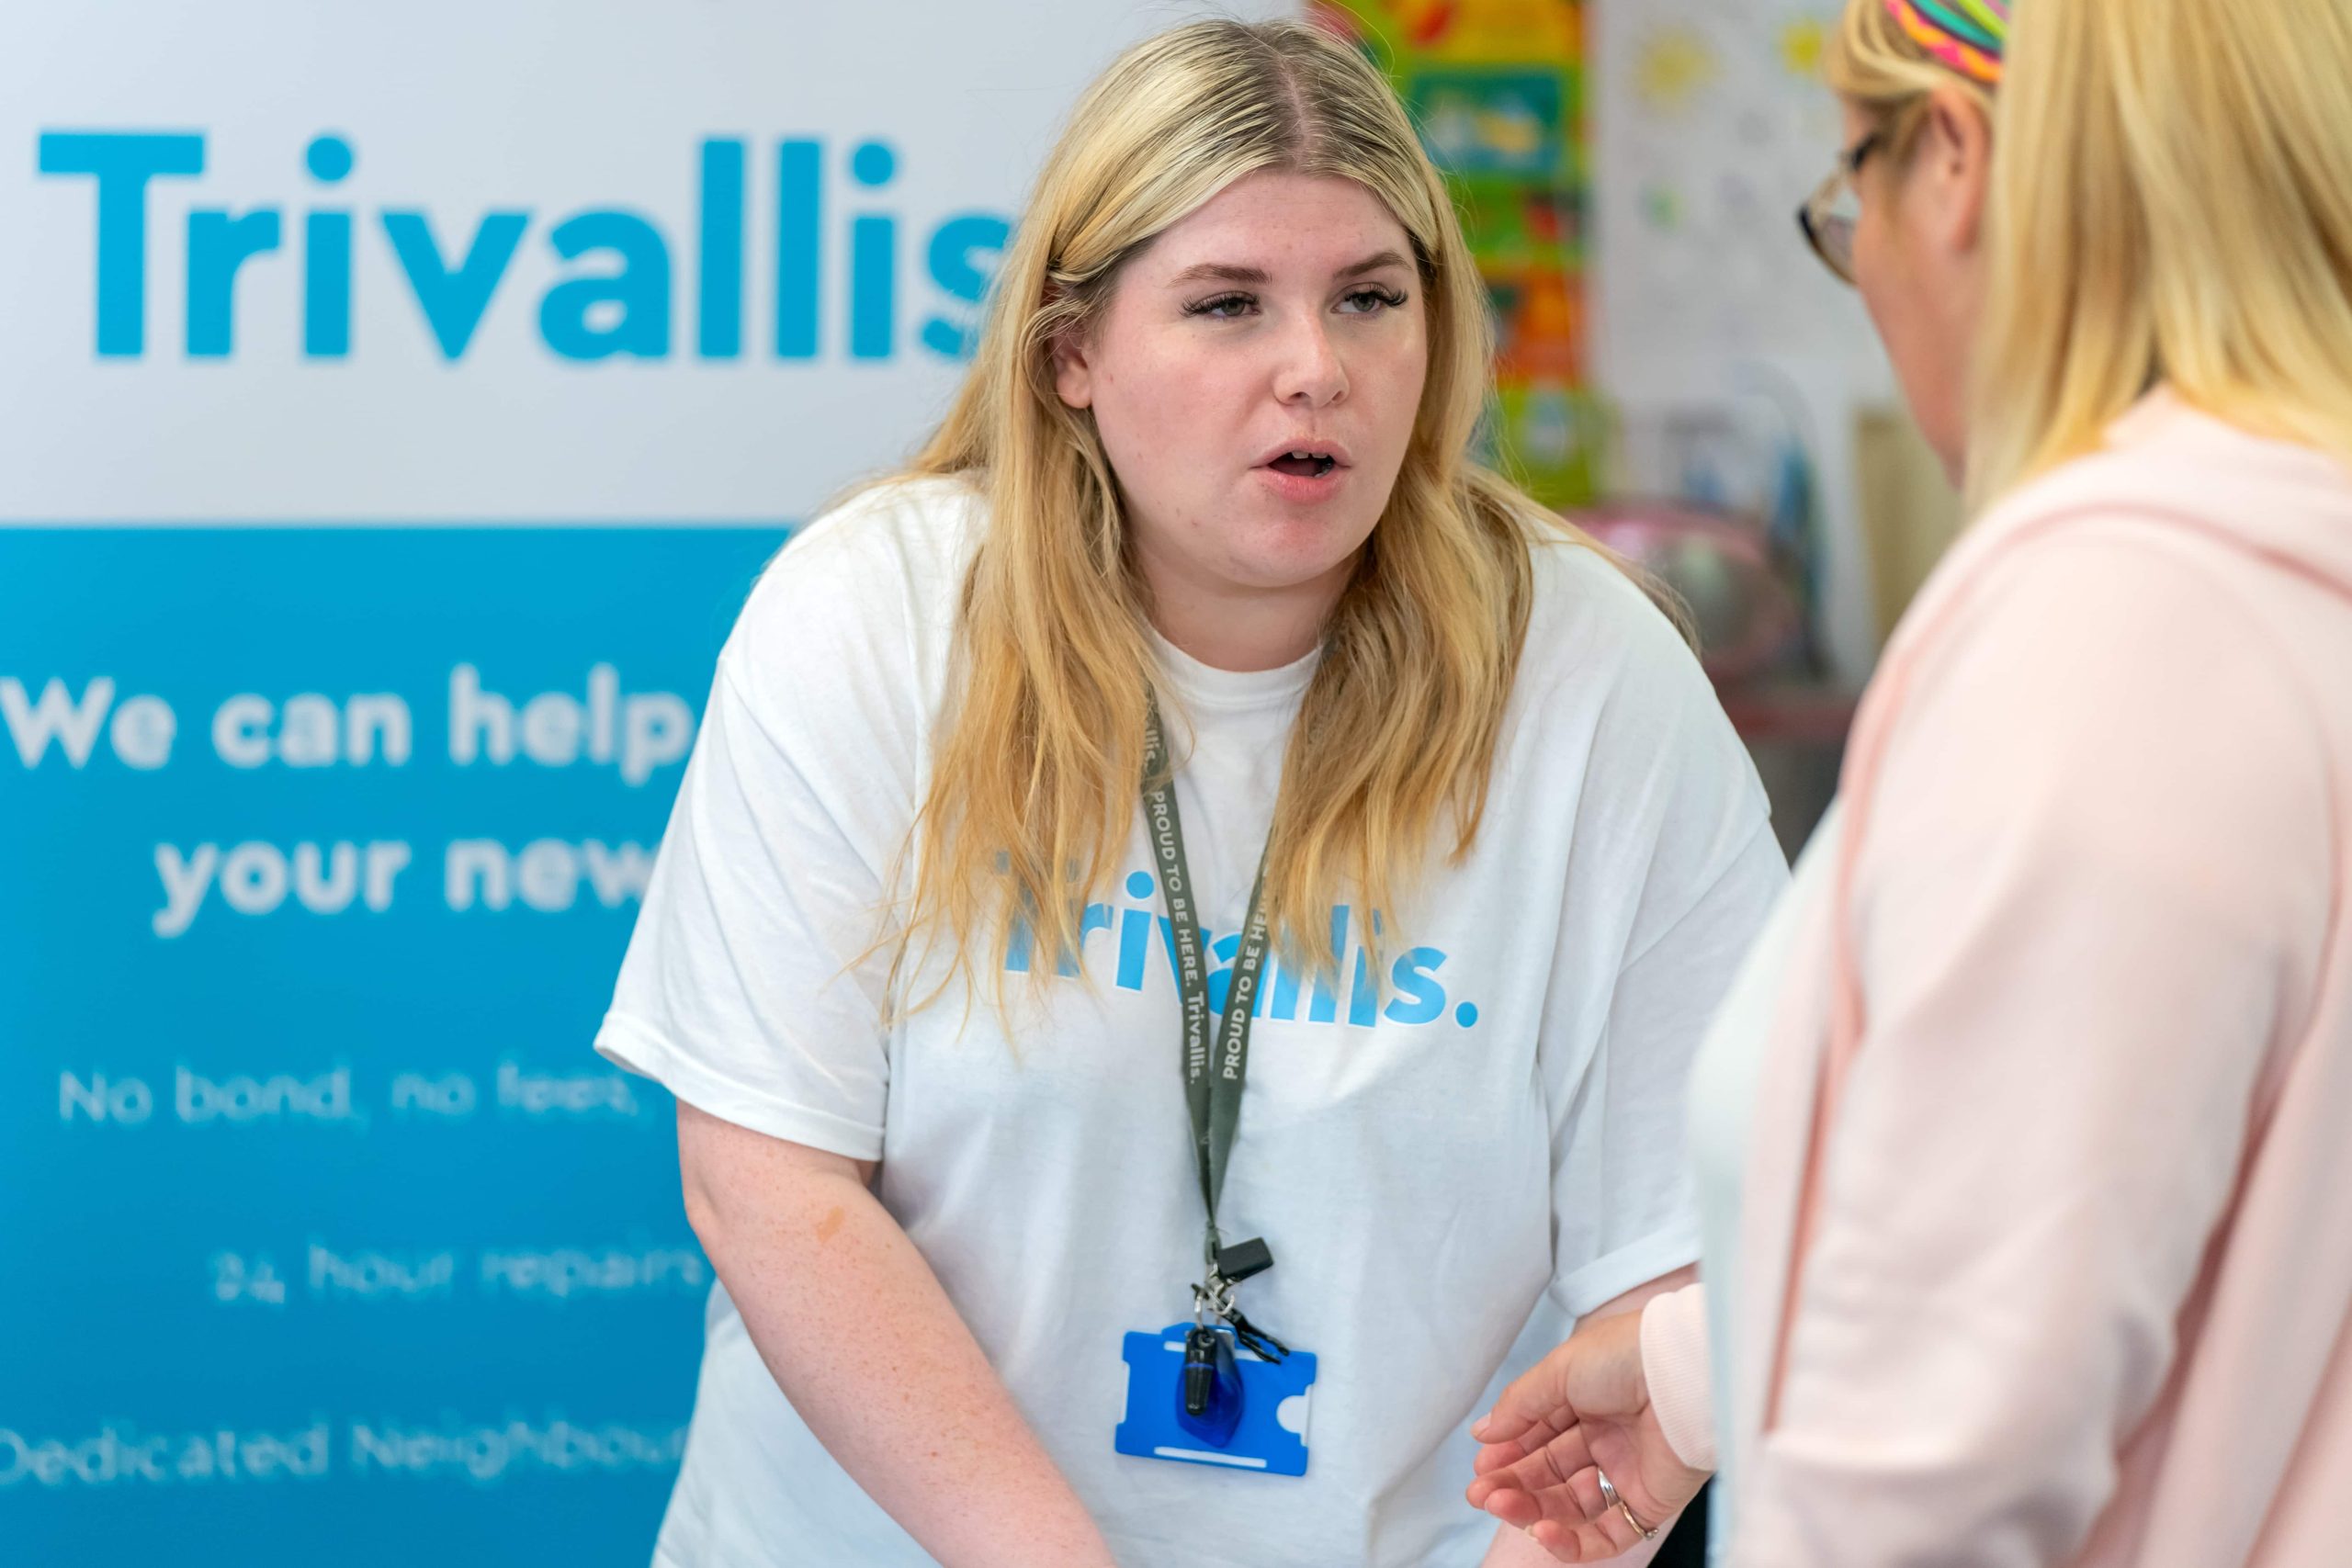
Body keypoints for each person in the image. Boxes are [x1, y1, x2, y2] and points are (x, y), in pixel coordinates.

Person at [594, 17, 1783, 1568]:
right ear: (1071, 353)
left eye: (1372, 297)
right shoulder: (877, 613)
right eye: (1228, 305)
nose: (1318, 369)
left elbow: (1690, 1257)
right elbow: (769, 1179)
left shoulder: (1590, 674)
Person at [1466, 0, 2352, 1562]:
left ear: (1951, 163)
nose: (1861, 258)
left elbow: (1951, 1454)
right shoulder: (2286, 584)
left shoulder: (2112, 631)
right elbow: (2150, 1230)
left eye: (1847, 197)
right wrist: (1705, 1373)